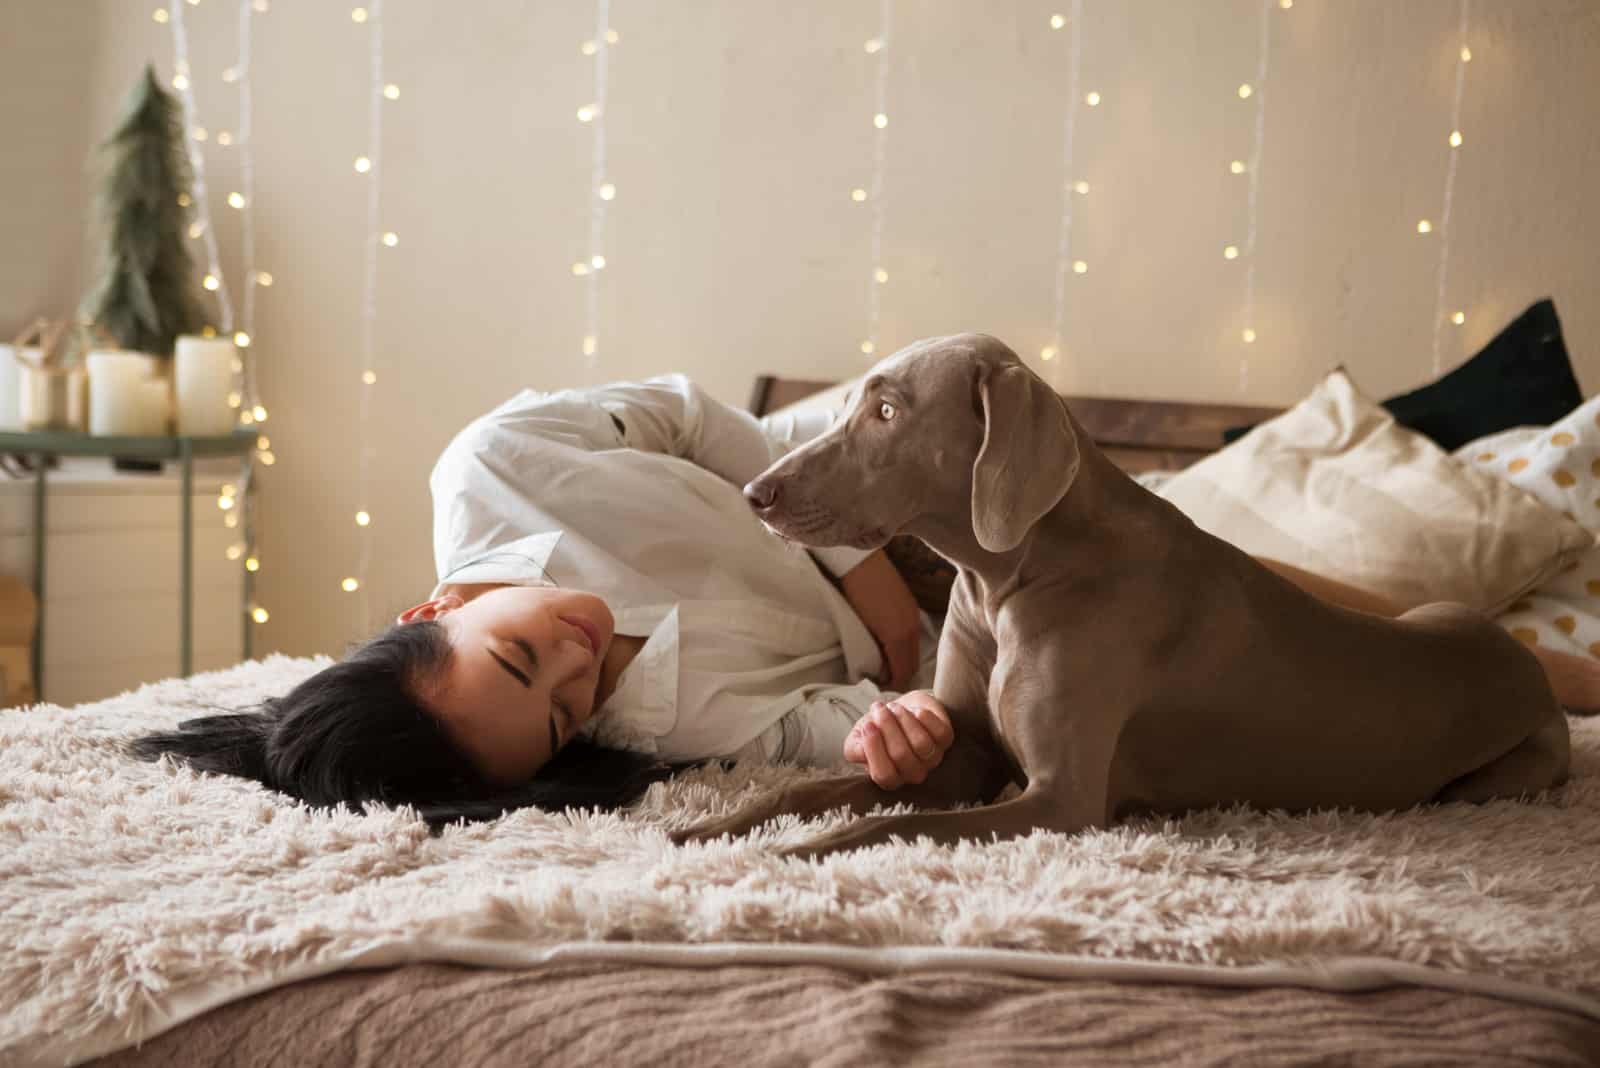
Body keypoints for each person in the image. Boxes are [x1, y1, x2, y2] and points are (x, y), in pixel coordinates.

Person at [131, 373, 1600, 828]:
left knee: (1309, 575)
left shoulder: (502, 461)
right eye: (565, 710)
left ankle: (1554, 668)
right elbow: (859, 723)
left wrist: (877, 584)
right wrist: (896, 726)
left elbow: (706, 420)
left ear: (440, 597)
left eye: (522, 655)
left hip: (868, 486)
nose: (580, 666)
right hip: (978, 617)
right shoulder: (669, 725)